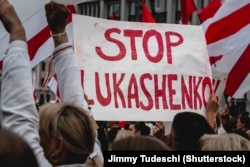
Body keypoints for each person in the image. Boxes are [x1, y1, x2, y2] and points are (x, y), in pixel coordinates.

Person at [0, 1, 103, 166]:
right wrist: (58, 33)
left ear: (57, 146)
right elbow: (77, 105)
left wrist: (17, 32)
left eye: (39, 131)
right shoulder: (94, 158)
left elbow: (20, 121)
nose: (34, 134)